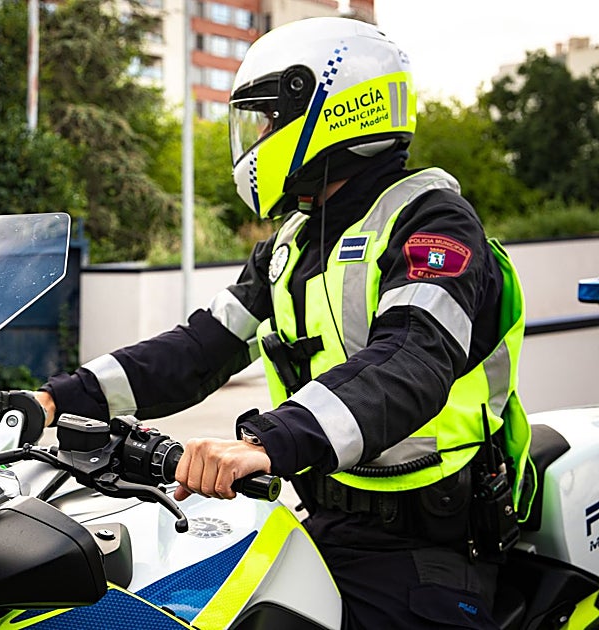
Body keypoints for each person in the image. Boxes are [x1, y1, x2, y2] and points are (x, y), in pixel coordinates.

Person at [34, 17, 530, 630]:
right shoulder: (291, 243)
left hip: (426, 549)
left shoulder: (434, 224)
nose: (257, 136)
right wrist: (57, 399)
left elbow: (411, 361)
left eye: (267, 119)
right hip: (327, 522)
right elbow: (200, 347)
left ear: (333, 110)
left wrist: (265, 442)